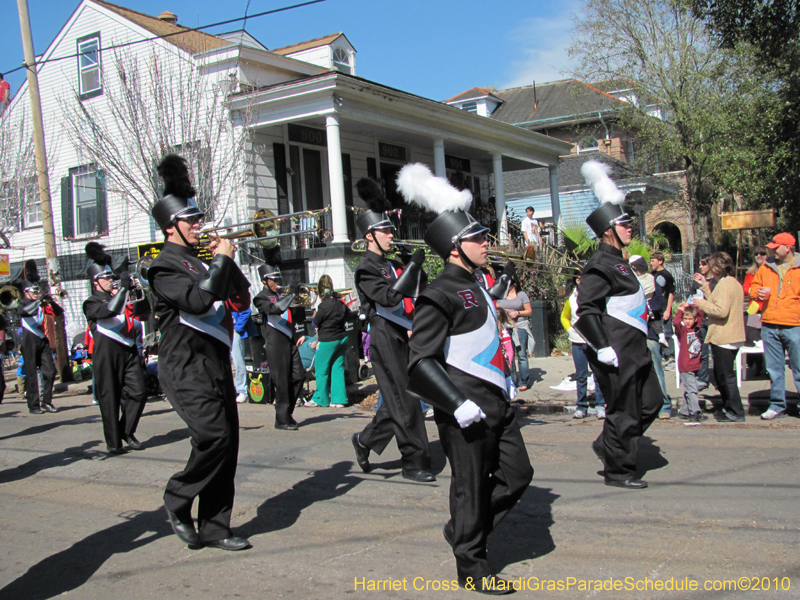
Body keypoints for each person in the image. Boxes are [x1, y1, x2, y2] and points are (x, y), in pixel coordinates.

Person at [400, 162, 533, 593]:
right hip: (465, 408)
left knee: (518, 475)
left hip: (498, 402)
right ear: (455, 247)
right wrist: (457, 404)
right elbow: (418, 363)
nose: (486, 242)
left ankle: (463, 529)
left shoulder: (476, 284)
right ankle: (471, 567)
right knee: (470, 487)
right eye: (477, 238)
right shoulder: (437, 294)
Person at [148, 154, 252, 551]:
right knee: (213, 436)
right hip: (184, 365)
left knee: (229, 446)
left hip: (214, 361)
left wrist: (229, 258)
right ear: (172, 227)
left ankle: (215, 526)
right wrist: (220, 259)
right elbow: (195, 302)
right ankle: (177, 498)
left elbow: (240, 298)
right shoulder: (163, 267)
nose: (198, 226)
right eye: (191, 221)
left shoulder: (200, 260)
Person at [575, 159, 662, 489]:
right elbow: (587, 310)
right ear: (608, 230)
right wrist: (603, 347)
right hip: (616, 350)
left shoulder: (620, 264)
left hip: (636, 348)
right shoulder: (599, 264)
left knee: (651, 403)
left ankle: (608, 445)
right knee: (624, 411)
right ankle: (619, 470)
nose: (630, 228)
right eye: (624, 225)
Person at [350, 176, 434, 483]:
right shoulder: (365, 268)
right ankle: (414, 461)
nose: (391, 234)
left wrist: (414, 266)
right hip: (383, 334)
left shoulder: (391, 262)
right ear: (370, 235)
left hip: (401, 332)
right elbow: (386, 297)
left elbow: (416, 289)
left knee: (399, 397)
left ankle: (365, 441)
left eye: (389, 228)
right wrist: (409, 269)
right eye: (385, 230)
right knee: (405, 398)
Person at [82, 243, 150, 454]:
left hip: (129, 351)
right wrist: (121, 288)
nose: (111, 281)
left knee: (139, 392)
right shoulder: (91, 302)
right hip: (106, 354)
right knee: (109, 398)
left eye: (112, 277)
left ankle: (126, 431)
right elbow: (109, 312)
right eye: (107, 278)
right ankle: (114, 442)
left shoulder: (123, 296)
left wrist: (137, 289)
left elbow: (144, 312)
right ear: (96, 282)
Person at [749, 233, 800, 419]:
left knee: (798, 367)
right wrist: (757, 292)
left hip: (795, 325)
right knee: (774, 369)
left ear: (788, 248)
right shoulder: (766, 266)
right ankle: (777, 405)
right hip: (770, 325)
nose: (772, 250)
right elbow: (753, 287)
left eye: (776, 246)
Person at [693, 252, 746, 422]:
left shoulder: (725, 285)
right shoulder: (731, 282)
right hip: (730, 335)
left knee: (725, 377)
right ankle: (730, 409)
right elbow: (719, 302)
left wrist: (702, 304)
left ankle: (735, 412)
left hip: (725, 336)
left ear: (717, 267)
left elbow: (721, 311)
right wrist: (706, 288)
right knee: (722, 375)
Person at [253, 264, 306, 429]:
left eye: (277, 279)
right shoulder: (260, 297)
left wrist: (300, 300)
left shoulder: (281, 295)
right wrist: (290, 295)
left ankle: (287, 413)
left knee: (299, 375)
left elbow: (296, 316)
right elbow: (274, 310)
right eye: (273, 279)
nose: (276, 282)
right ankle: (281, 419)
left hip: (289, 339)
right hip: (275, 342)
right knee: (281, 380)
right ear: (264, 280)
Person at [629, 256, 672, 419]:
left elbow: (657, 304)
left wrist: (643, 308)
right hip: (632, 331)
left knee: (656, 369)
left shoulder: (652, 283)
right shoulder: (630, 285)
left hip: (649, 332)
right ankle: (639, 405)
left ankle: (664, 405)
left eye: (633, 268)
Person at [561, 277, 606, 420]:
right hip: (577, 342)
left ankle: (600, 405)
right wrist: (570, 330)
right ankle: (581, 406)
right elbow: (564, 317)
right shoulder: (571, 300)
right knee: (581, 376)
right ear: (578, 281)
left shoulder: (596, 296)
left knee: (598, 374)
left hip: (594, 342)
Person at [16, 276, 61, 414]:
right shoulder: (22, 303)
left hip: (42, 341)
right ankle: (33, 405)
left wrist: (51, 302)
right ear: (26, 292)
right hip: (29, 341)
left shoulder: (41, 304)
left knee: (50, 371)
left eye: (38, 291)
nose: (36, 294)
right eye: (34, 291)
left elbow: (58, 313)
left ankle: (47, 401)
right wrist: (39, 301)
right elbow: (22, 312)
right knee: (31, 374)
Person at [309, 288, 350, 407]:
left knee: (321, 370)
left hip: (328, 339)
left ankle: (320, 398)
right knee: (338, 368)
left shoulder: (324, 306)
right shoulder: (341, 304)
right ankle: (339, 399)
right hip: (342, 338)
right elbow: (348, 314)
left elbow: (315, 322)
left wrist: (316, 313)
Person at [496, 279, 533, 392]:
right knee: (508, 355)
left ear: (513, 285)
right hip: (505, 327)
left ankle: (524, 381)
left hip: (519, 326)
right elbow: (495, 306)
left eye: (509, 284)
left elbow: (529, 311)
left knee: (521, 354)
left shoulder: (521, 295)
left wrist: (518, 313)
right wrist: (503, 311)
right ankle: (512, 380)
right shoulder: (500, 294)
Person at [673, 304, 706, 421]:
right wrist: (680, 311)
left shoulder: (696, 329)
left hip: (695, 364)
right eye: (685, 319)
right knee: (692, 390)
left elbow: (701, 313)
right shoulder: (683, 331)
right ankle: (695, 412)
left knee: (690, 389)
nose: (687, 321)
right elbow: (676, 323)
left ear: (695, 320)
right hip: (686, 366)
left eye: (690, 319)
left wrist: (691, 306)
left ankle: (684, 411)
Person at [651, 251, 676, 368]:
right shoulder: (652, 274)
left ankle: (670, 356)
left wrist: (668, 310)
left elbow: (671, 293)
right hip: (655, 308)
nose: (651, 263)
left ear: (660, 261)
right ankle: (660, 357)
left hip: (664, 307)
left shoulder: (666, 275)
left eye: (653, 261)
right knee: (658, 332)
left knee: (667, 332)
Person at [231, 307, 254, 404]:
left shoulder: (234, 297)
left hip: (234, 331)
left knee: (238, 361)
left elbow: (246, 311)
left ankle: (242, 391)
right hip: (222, 330)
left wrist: (237, 328)